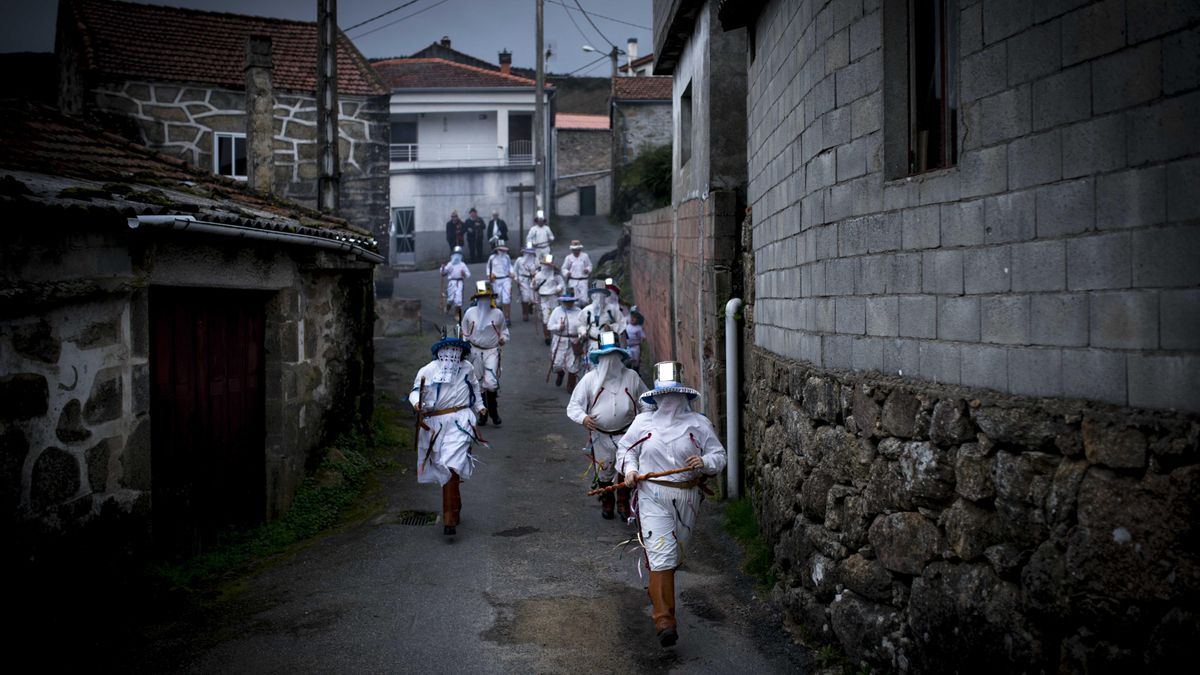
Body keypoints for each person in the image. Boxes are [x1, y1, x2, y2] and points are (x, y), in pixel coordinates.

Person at [616, 361, 727, 646]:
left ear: (683, 395)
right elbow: (626, 452)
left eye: (674, 395)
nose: (669, 401)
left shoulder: (699, 425)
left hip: (687, 497)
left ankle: (657, 587)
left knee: (672, 555)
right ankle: (664, 620)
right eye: (663, 396)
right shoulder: (643, 424)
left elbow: (718, 456)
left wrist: (703, 462)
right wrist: (630, 471)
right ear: (655, 397)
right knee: (661, 551)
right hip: (652, 494)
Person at [408, 326, 489, 536]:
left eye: (456, 350)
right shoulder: (428, 370)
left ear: (461, 352)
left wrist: (479, 406)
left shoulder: (467, 368)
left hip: (461, 419)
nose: (452, 355)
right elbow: (416, 391)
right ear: (440, 351)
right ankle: (454, 506)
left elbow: (475, 388)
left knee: (452, 463)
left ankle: (449, 520)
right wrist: (417, 404)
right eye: (448, 350)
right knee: (443, 466)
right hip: (435, 423)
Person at [566, 330, 649, 521]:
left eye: (614, 356)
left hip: (628, 434)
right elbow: (574, 406)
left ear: (620, 356)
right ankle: (607, 501)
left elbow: (646, 402)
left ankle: (623, 502)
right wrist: (584, 418)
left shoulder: (632, 377)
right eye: (606, 356)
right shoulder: (590, 379)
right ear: (600, 358)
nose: (610, 361)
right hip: (600, 436)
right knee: (604, 471)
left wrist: (643, 422)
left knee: (626, 468)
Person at [461, 281, 509, 426]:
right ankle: (483, 414)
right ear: (476, 298)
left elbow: (504, 331)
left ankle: (494, 412)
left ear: (491, 298)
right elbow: (463, 330)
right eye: (481, 298)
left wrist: (503, 338)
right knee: (478, 382)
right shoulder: (470, 313)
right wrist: (464, 345)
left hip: (491, 350)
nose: (484, 300)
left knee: (491, 383)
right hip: (474, 350)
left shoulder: (497, 313)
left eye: (487, 297)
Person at [578, 281, 624, 369]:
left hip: (608, 343)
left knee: (608, 367)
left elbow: (621, 323)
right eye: (596, 295)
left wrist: (611, 327)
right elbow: (581, 324)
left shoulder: (612, 310)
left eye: (601, 295)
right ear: (592, 296)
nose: (598, 298)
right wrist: (583, 332)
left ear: (605, 296)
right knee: (593, 368)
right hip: (592, 342)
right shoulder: (586, 311)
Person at [546, 291, 582, 388]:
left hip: (574, 341)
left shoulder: (579, 312)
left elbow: (583, 326)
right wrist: (558, 327)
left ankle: (571, 386)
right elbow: (549, 325)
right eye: (566, 301)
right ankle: (560, 373)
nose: (568, 303)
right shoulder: (557, 311)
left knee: (573, 365)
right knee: (556, 363)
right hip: (560, 340)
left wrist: (582, 333)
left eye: (570, 301)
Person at [532, 253, 565, 345]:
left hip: (554, 297)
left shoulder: (556, 276)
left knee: (556, 316)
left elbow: (561, 283)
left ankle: (557, 334)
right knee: (545, 317)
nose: (546, 267)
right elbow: (533, 287)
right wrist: (534, 285)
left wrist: (558, 288)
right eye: (545, 265)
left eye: (548, 265)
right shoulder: (538, 276)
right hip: (543, 298)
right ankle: (547, 336)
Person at [440, 245, 471, 315]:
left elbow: (468, 274)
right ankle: (448, 307)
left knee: (458, 299)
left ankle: (457, 313)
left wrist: (464, 274)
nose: (457, 256)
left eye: (459, 254)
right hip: (452, 282)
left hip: (459, 282)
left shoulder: (462, 265)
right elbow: (444, 272)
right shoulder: (450, 264)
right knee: (450, 299)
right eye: (455, 254)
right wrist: (443, 268)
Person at [515, 244, 540, 323]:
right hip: (523, 280)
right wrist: (517, 280)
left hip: (532, 279)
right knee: (525, 297)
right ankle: (525, 313)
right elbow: (515, 271)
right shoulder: (519, 260)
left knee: (533, 297)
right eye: (527, 252)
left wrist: (535, 274)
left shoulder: (536, 260)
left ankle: (531, 306)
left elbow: (539, 269)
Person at [625, 307, 646, 372]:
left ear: (638, 319)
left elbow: (643, 337)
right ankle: (628, 372)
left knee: (636, 362)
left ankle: (636, 371)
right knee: (628, 361)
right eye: (631, 317)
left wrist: (641, 341)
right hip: (628, 347)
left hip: (635, 347)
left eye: (634, 317)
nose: (632, 319)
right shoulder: (627, 326)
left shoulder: (638, 328)